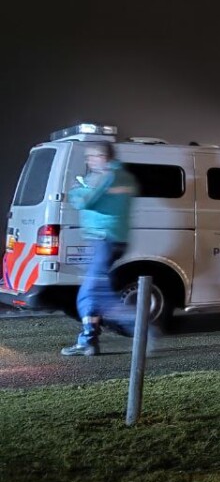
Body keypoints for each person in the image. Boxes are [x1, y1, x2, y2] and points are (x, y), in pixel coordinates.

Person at [61, 141, 140, 356]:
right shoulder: (126, 176)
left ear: (102, 157)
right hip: (114, 239)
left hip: (103, 239)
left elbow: (84, 201)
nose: (88, 161)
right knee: (94, 292)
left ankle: (140, 326)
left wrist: (76, 189)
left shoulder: (105, 175)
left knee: (89, 294)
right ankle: (90, 340)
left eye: (91, 157)